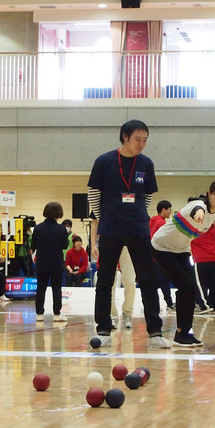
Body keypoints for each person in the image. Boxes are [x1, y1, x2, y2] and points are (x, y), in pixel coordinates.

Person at [88, 119, 169, 348]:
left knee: (148, 279)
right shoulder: (104, 161)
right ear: (124, 137)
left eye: (145, 140)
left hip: (138, 229)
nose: (142, 144)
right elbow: (94, 193)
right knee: (105, 280)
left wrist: (139, 215)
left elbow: (148, 196)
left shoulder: (146, 164)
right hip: (111, 228)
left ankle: (155, 331)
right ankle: (103, 328)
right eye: (137, 139)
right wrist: (104, 218)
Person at [152, 180, 215, 346]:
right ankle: (181, 333)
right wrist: (199, 214)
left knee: (192, 289)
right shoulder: (197, 205)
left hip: (180, 250)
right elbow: (197, 209)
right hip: (161, 247)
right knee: (186, 286)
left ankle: (185, 332)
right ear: (209, 193)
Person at [31, 202, 69, 321]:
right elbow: (65, 245)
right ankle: (57, 314)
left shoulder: (38, 228)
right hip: (56, 262)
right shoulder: (61, 229)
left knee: (41, 287)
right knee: (56, 288)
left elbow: (33, 245)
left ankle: (39, 314)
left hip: (42, 261)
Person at [190, 208, 215, 314]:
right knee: (213, 284)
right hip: (213, 258)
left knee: (200, 284)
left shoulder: (193, 228)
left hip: (200, 259)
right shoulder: (213, 227)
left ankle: (204, 305)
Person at [149, 200, 175, 312]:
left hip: (151, 256)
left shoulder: (152, 221)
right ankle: (169, 303)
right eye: (169, 209)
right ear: (164, 209)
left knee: (154, 282)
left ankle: (153, 304)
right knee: (164, 281)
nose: (170, 212)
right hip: (159, 256)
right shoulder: (162, 223)